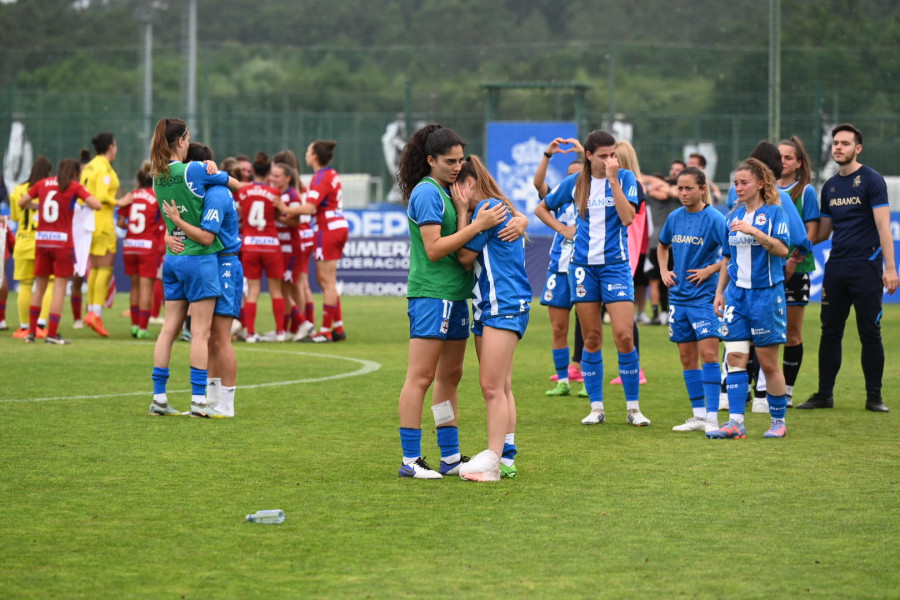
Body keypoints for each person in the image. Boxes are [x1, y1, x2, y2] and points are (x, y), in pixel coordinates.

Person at [394, 123, 513, 479]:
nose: (457, 166)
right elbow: (433, 250)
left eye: (461, 160)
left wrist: (505, 220)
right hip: (432, 294)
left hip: (457, 296)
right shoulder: (427, 192)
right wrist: (477, 226)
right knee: (421, 377)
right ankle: (410, 459)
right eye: (449, 161)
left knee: (450, 377)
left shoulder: (449, 192)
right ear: (430, 160)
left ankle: (450, 456)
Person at [542, 129, 650, 427]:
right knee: (591, 338)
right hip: (582, 268)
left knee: (625, 336)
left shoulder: (626, 179)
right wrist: (563, 230)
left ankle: (633, 408)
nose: (609, 160)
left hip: (615, 266)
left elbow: (628, 218)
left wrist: (613, 179)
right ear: (588, 156)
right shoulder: (575, 183)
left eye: (612, 154)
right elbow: (542, 207)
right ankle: (596, 406)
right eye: (603, 155)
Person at [797, 124, 897, 412]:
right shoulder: (829, 186)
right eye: (835, 143)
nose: (838, 147)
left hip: (866, 268)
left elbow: (883, 227)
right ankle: (824, 395)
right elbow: (823, 233)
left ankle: (874, 396)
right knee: (829, 332)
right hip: (836, 268)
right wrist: (788, 245)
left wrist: (890, 268)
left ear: (858, 148)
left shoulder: (871, 180)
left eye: (845, 143)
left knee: (870, 331)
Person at [147, 117, 240, 418]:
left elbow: (167, 215)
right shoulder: (195, 170)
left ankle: (159, 398)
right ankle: (199, 400)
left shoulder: (156, 175)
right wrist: (215, 169)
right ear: (183, 140)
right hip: (199, 257)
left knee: (168, 330)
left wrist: (169, 232)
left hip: (172, 257)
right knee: (200, 333)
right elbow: (236, 185)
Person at [455, 155, 531, 481]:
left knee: (491, 387)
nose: (452, 191)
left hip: (504, 305)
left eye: (455, 184)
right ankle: (507, 456)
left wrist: (462, 214)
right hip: (491, 306)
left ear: (468, 183)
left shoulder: (486, 209)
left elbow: (463, 256)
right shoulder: (493, 207)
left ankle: (493, 463)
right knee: (501, 386)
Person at [708, 158, 790, 439]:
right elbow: (727, 258)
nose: (739, 188)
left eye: (744, 183)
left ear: (761, 184)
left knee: (767, 362)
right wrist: (719, 292)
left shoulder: (774, 213)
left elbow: (782, 250)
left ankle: (778, 422)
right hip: (736, 297)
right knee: (735, 357)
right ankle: (735, 422)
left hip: (766, 295)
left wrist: (754, 231)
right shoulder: (732, 217)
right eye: (736, 183)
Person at [657, 167, 726, 433]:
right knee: (687, 358)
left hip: (705, 298)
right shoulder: (674, 217)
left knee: (709, 354)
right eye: (680, 188)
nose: (683, 193)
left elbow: (731, 255)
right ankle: (698, 416)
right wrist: (664, 270)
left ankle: (712, 417)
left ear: (702, 189)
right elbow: (662, 246)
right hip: (679, 297)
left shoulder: (715, 218)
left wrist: (710, 270)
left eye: (688, 188)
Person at [18, 158, 102, 344]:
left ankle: (31, 333)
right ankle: (52, 334)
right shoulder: (72, 186)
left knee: (38, 288)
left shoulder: (42, 183)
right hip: (63, 243)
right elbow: (97, 205)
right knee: (59, 289)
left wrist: (38, 207)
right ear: (74, 173)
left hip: (42, 241)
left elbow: (22, 202)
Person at [533, 137, 585, 397]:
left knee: (589, 328)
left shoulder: (596, 198)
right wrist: (547, 154)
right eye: (568, 176)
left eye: (577, 175)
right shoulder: (559, 198)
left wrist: (583, 151)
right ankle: (563, 380)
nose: (571, 181)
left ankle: (588, 380)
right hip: (559, 269)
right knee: (558, 327)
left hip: (586, 267)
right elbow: (538, 184)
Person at [776, 136, 820, 407]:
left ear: (799, 164)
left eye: (788, 157)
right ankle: (757, 387)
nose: (782, 162)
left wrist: (794, 259)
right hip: (767, 270)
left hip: (797, 268)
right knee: (761, 330)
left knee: (792, 332)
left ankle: (788, 390)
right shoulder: (762, 188)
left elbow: (811, 231)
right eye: (778, 157)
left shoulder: (806, 192)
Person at [235, 152, 287, 343]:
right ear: (268, 173)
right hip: (271, 245)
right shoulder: (274, 193)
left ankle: (250, 333)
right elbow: (282, 216)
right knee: (276, 291)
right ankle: (281, 332)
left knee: (253, 291)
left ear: (253, 171)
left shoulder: (243, 192)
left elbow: (238, 212)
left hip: (250, 245)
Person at [304, 140, 349, 343]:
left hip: (327, 229)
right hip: (338, 226)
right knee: (327, 281)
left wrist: (282, 207)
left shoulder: (320, 176)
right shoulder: (331, 174)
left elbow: (309, 208)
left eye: (308, 150)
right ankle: (338, 327)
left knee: (327, 282)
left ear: (314, 156)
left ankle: (324, 331)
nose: (306, 153)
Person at [116, 161, 164, 339]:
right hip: (147, 247)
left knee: (134, 288)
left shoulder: (131, 195)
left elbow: (120, 222)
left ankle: (135, 326)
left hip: (129, 246)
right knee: (147, 289)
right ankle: (143, 328)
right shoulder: (156, 197)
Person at [80, 132, 120, 337]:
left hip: (89, 223)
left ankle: (92, 312)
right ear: (110, 147)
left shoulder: (89, 167)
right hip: (103, 222)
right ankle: (95, 314)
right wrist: (120, 202)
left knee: (95, 268)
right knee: (105, 268)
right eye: (115, 145)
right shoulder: (103, 168)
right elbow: (103, 196)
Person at [9, 156, 54, 338]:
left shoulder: (18, 191)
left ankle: (24, 326)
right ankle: (41, 325)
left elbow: (16, 218)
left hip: (23, 242)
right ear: (48, 173)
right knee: (48, 284)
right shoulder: (50, 189)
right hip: (43, 242)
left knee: (25, 285)